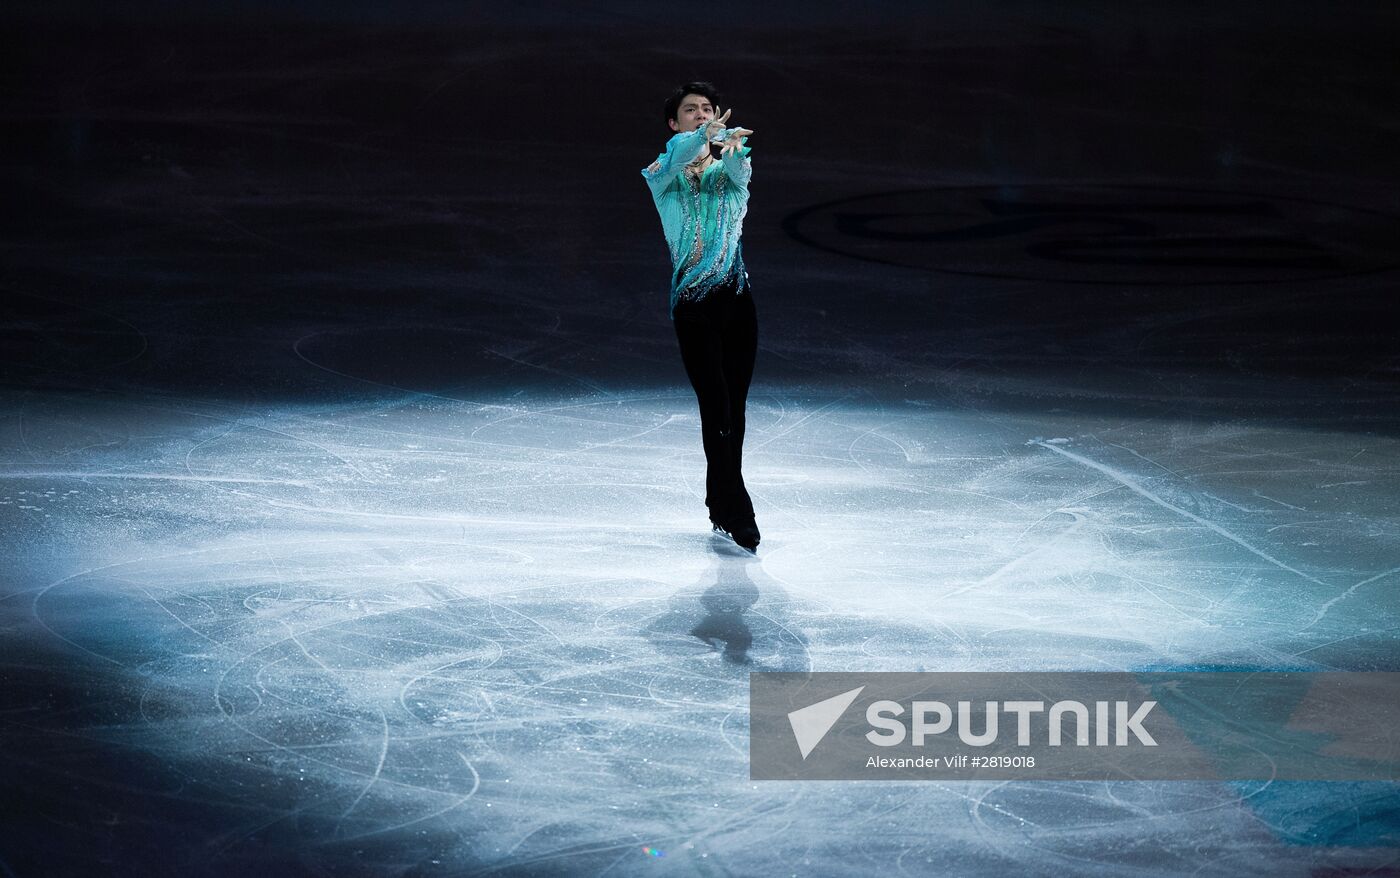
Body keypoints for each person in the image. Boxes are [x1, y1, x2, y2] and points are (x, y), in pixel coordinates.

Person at [642, 82, 760, 552]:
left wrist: (729, 144)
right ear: (674, 123)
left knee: (736, 409)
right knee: (716, 408)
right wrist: (701, 136)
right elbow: (674, 157)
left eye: (706, 109)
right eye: (689, 111)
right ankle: (739, 509)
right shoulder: (661, 172)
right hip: (692, 307)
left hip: (738, 303)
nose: (700, 115)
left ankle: (719, 501)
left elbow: (739, 168)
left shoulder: (731, 170)